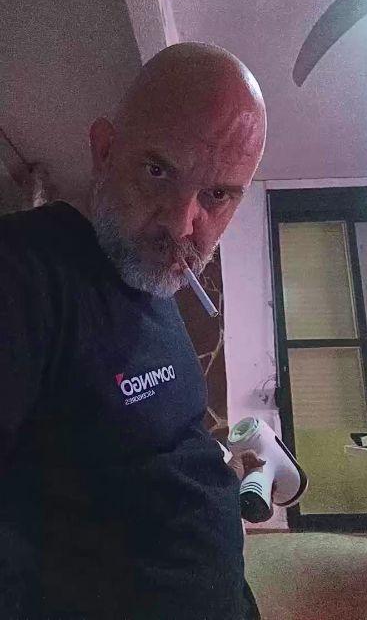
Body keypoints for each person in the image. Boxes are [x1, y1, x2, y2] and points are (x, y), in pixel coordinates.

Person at [0, 42, 266, 619]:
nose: (181, 224)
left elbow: (156, 450)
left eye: (217, 194)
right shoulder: (22, 272)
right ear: (104, 151)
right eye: (157, 171)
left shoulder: (154, 290)